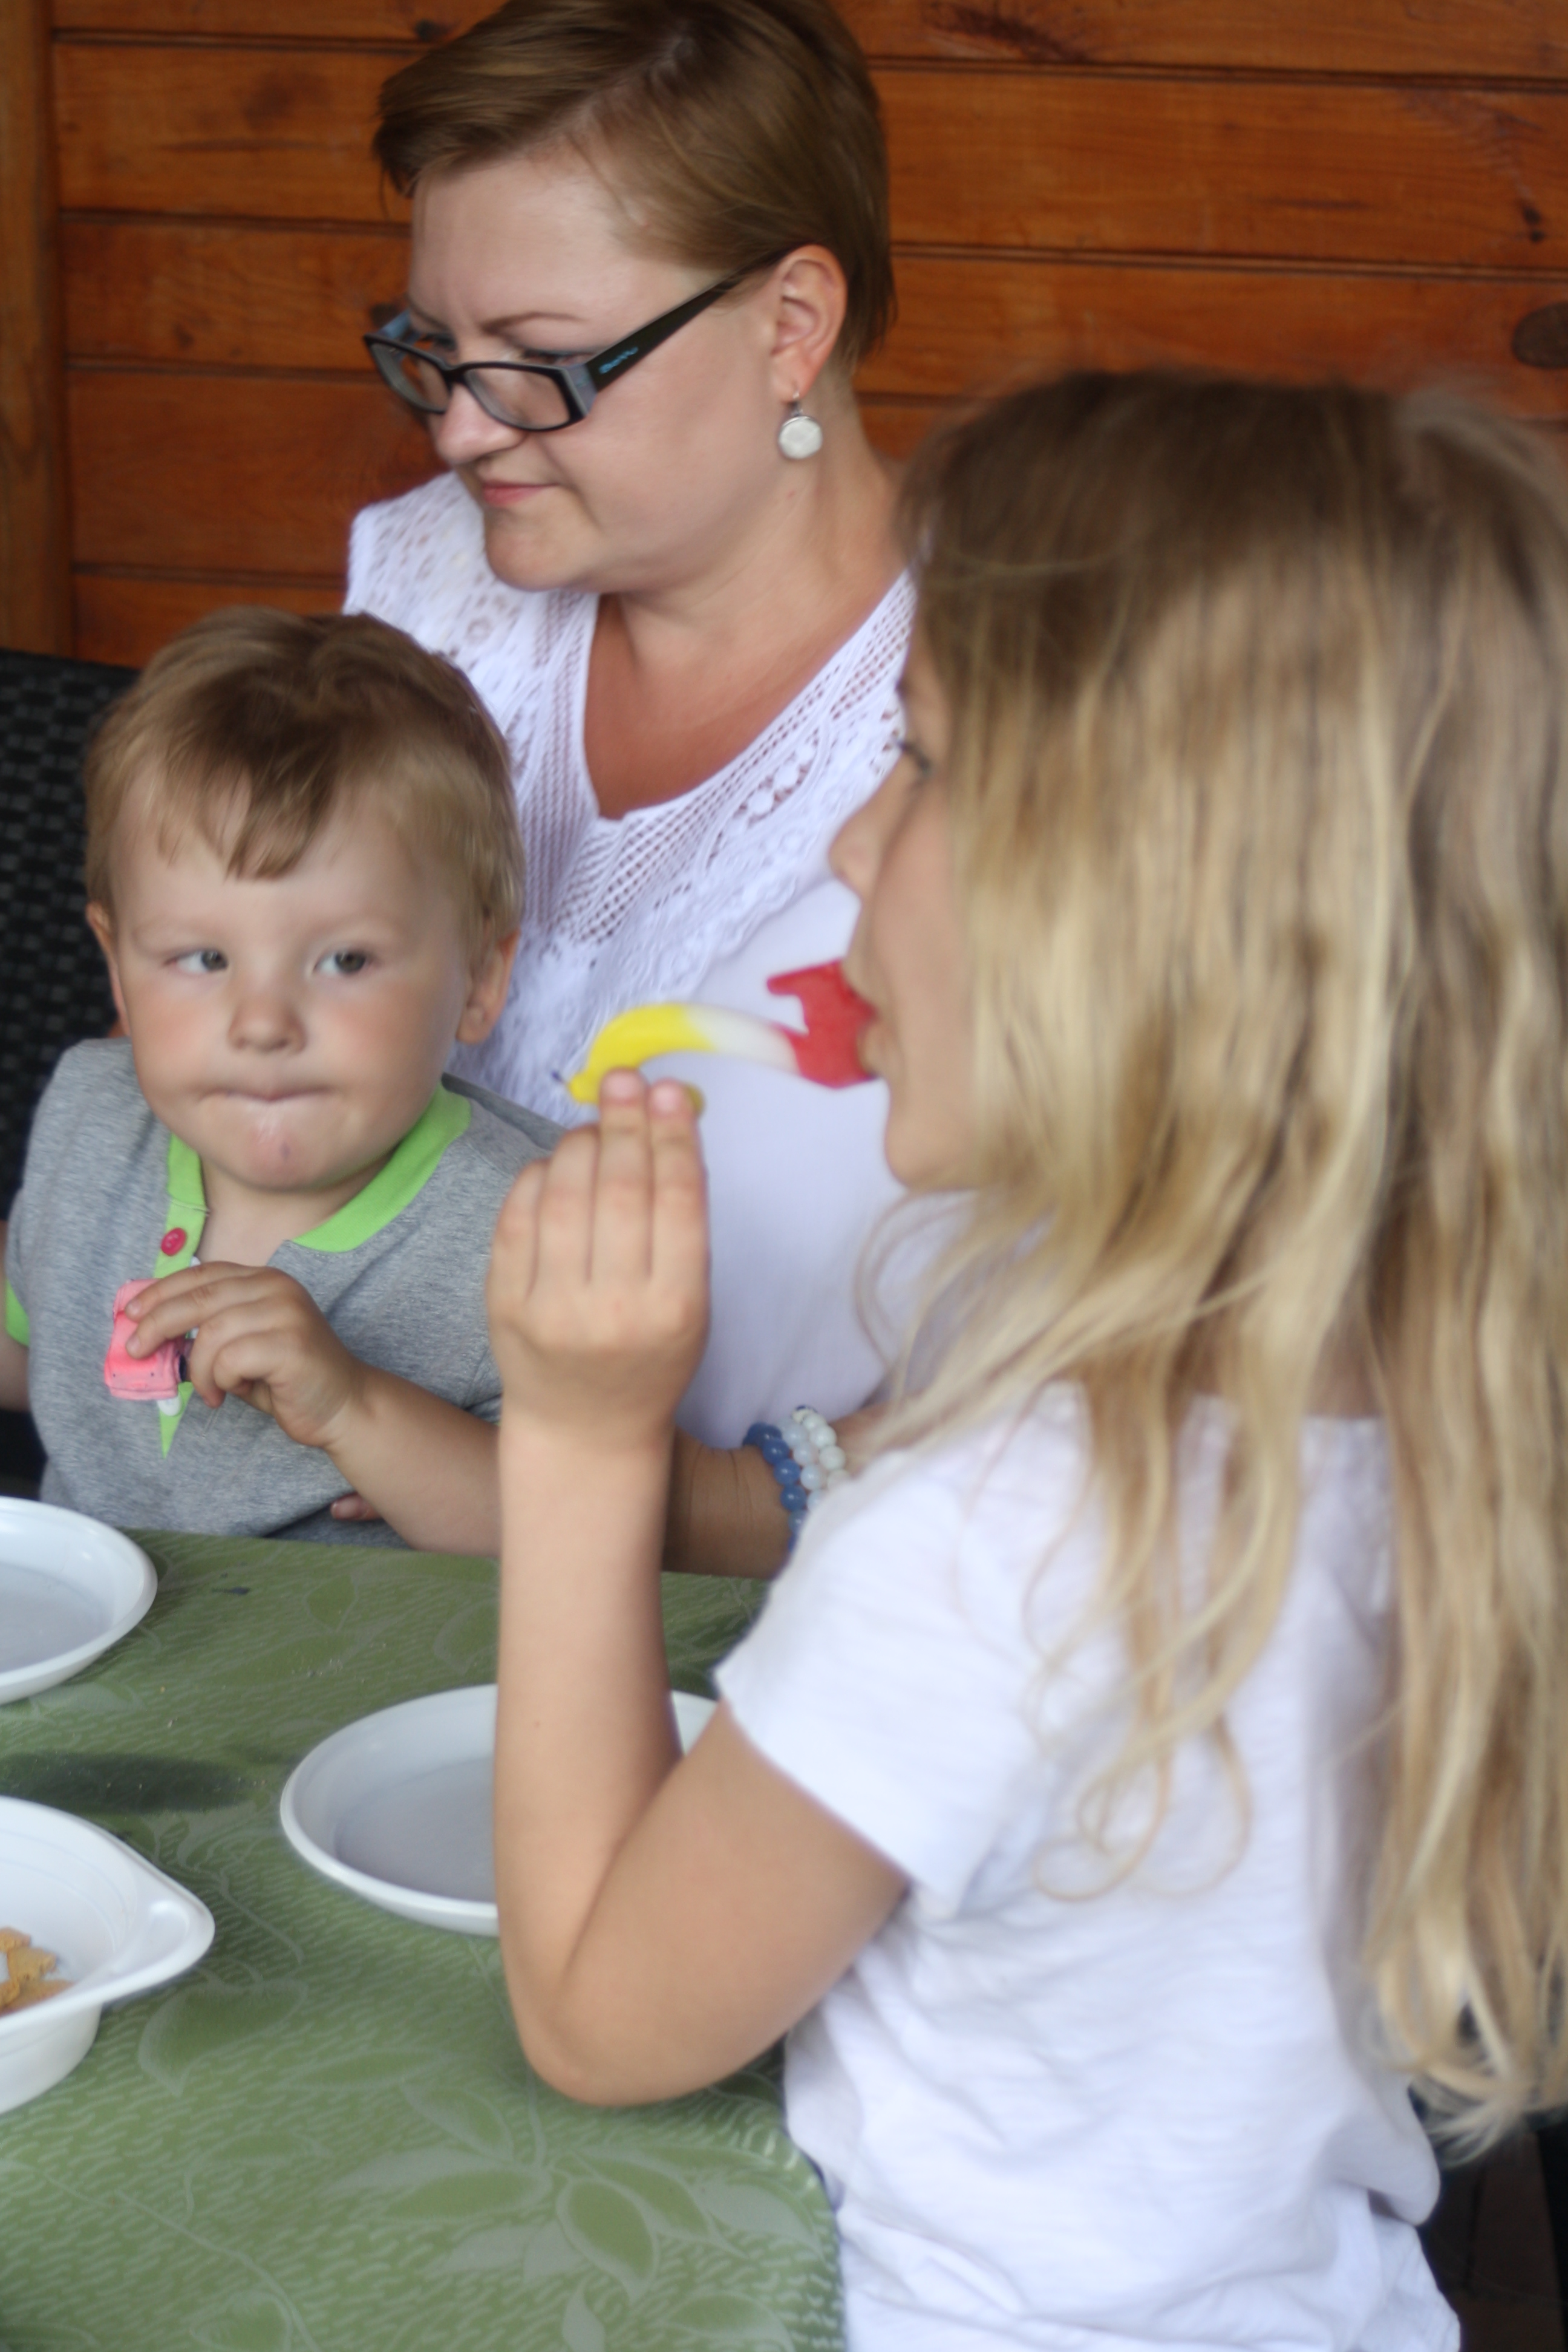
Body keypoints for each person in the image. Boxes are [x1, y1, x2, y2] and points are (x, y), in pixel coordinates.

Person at [481, 372, 1568, 2351]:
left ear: (1141, 902)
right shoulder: (1465, 1402)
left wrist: (578, 1438)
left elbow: (594, 2012)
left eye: (919, 760)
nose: (851, 838)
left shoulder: (998, 1533)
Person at [347, 0, 912, 1572]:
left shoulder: (1014, 717)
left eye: (543, 364)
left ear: (791, 323)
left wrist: (719, 1510)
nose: (462, 432)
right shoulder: (427, 586)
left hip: (772, 1599)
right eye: (433, 350)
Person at [0, 608, 555, 1552]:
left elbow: (576, 1527)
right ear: (117, 968)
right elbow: (34, 1350)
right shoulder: (91, 1119)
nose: (262, 1023)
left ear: (479, 979)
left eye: (345, 961)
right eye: (204, 958)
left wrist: (354, 1407)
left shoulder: (531, 1227)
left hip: (352, 1651)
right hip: (77, 1630)